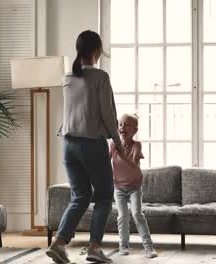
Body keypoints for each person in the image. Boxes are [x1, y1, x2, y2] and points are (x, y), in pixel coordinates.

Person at [45, 30, 123, 264]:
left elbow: (74, 112)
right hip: (91, 145)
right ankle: (94, 247)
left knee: (80, 196)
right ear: (97, 50)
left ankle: (58, 243)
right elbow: (108, 115)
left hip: (68, 145)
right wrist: (118, 143)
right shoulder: (100, 77)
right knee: (104, 195)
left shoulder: (67, 76)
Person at [109, 114, 158, 258]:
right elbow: (105, 161)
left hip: (134, 187)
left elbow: (133, 165)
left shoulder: (137, 145)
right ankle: (123, 246)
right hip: (118, 187)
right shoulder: (113, 144)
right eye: (120, 124)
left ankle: (149, 247)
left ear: (135, 130)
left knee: (137, 214)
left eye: (127, 125)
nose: (122, 127)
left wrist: (122, 154)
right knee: (122, 216)